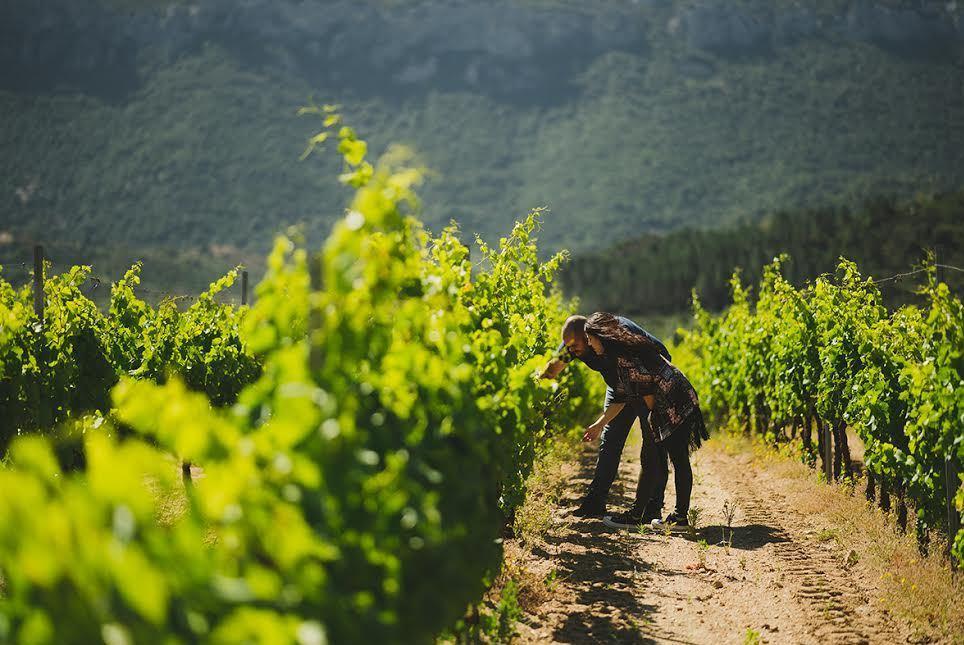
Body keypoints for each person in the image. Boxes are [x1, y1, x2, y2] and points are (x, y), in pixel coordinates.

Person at [579, 312, 709, 531]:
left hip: (675, 402)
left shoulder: (625, 360)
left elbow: (648, 396)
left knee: (668, 457)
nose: (590, 345)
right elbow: (621, 397)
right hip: (676, 397)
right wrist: (598, 425)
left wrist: (653, 426)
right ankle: (660, 515)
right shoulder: (619, 358)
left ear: (601, 337)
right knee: (665, 457)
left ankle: (668, 517)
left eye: (591, 339)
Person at [540, 313, 672, 522]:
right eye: (568, 347)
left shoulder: (616, 337)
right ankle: (595, 502)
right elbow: (553, 369)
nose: (571, 351)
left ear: (590, 337)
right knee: (610, 440)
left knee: (653, 443)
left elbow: (652, 364)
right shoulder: (573, 343)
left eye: (575, 346)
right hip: (619, 385)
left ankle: (650, 508)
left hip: (648, 379)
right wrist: (534, 388)